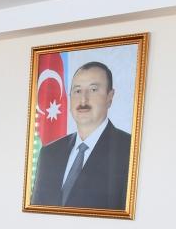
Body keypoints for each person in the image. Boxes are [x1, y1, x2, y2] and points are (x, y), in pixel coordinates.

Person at [30, 61, 131, 209]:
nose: (83, 100)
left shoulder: (129, 150)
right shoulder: (49, 153)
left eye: (93, 89)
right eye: (77, 91)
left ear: (110, 97)